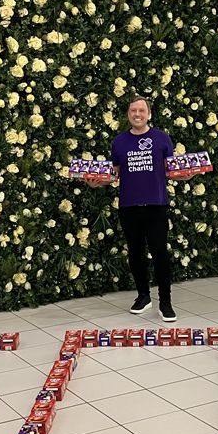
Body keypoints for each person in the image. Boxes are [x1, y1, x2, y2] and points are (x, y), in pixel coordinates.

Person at [88, 96, 193, 322]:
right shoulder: (119, 142)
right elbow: (114, 174)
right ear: (128, 114)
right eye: (133, 110)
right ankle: (143, 296)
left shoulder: (162, 139)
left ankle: (165, 302)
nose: (137, 114)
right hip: (129, 206)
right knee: (135, 254)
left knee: (160, 253)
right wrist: (97, 181)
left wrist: (185, 176)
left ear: (149, 114)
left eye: (141, 110)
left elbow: (170, 171)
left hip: (156, 205)